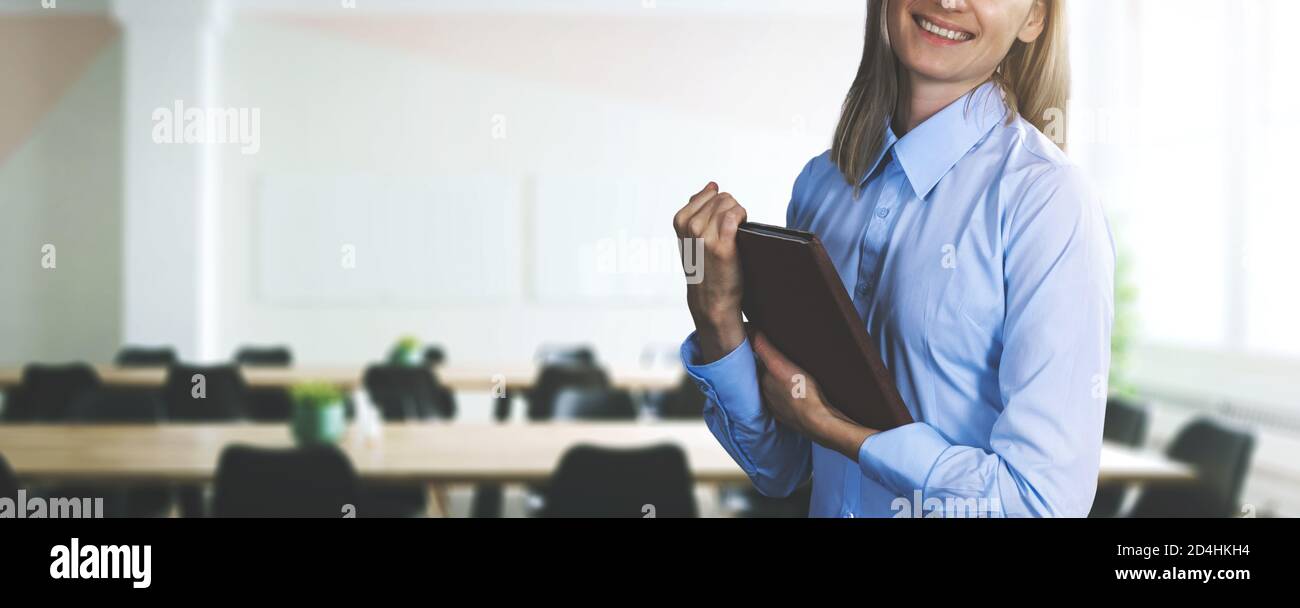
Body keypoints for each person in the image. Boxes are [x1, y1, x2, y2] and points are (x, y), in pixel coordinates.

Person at [672, 0, 1114, 517]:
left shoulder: (1047, 202)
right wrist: (717, 317)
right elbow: (780, 469)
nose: (949, 2)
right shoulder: (821, 186)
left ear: (1034, 17)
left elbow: (1042, 505)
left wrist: (846, 434)